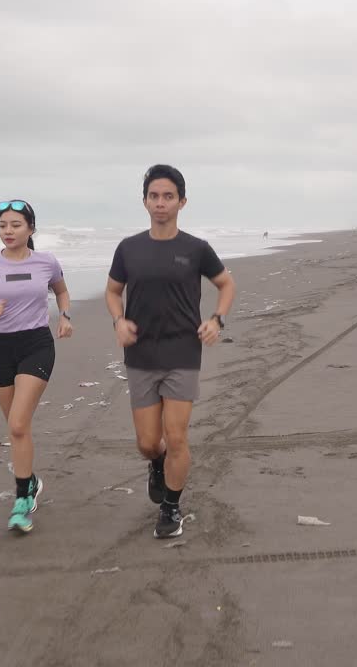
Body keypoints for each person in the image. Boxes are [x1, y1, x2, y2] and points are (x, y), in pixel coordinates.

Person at [105, 165, 236, 538]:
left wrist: (216, 320)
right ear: (144, 201)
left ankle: (171, 507)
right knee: (149, 443)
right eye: (154, 196)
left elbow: (226, 284)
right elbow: (113, 291)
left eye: (168, 196)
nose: (160, 203)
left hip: (182, 351)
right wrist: (118, 320)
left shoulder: (196, 249)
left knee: (176, 436)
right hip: (141, 353)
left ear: (182, 201)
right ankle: (157, 463)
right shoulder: (129, 248)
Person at [0, 200, 72, 533]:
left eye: (16, 225)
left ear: (31, 229)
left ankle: (22, 500)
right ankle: (31, 479)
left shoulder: (46, 262)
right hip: (1, 348)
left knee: (19, 425)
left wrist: (65, 316)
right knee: (14, 426)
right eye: (3, 225)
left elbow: (62, 292)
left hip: (36, 345)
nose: (8, 231)